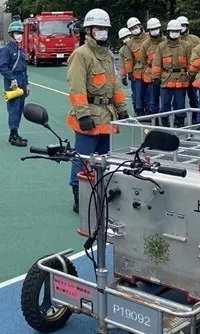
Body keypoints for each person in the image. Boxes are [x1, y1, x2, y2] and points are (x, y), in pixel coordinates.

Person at [66, 8, 128, 213]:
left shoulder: (108, 55)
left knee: (104, 159)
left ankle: (100, 192)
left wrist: (122, 109)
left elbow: (115, 84)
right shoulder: (81, 55)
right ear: (89, 30)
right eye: (98, 28)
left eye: (105, 28)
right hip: (90, 116)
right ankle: (79, 197)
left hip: (106, 116)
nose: (102, 31)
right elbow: (77, 88)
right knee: (83, 159)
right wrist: (83, 115)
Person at [152, 20, 193, 127]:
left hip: (181, 78)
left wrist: (192, 75)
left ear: (180, 32)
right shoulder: (161, 46)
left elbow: (190, 62)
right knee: (165, 102)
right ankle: (164, 120)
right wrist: (156, 76)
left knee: (180, 103)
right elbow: (157, 63)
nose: (175, 33)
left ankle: (180, 120)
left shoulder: (187, 46)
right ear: (168, 32)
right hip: (166, 78)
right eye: (172, 31)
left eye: (177, 31)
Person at [0, 21, 30, 147]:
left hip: (22, 79)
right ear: (11, 34)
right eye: (17, 33)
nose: (19, 35)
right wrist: (11, 79)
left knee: (20, 108)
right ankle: (13, 135)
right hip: (12, 82)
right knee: (14, 108)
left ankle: (16, 132)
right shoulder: (6, 50)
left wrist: (27, 83)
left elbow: (24, 68)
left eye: (21, 33)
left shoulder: (21, 50)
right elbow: (3, 67)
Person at [138, 18, 165, 118]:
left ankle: (166, 117)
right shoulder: (145, 44)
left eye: (156, 28)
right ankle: (154, 117)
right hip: (151, 75)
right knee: (153, 98)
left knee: (166, 99)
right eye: (152, 29)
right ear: (149, 30)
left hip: (166, 74)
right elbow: (143, 60)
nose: (154, 31)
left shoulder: (166, 41)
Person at [178, 15, 200, 124]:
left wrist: (195, 72)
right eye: (180, 25)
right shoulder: (174, 40)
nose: (182, 27)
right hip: (180, 75)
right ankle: (179, 119)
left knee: (194, 98)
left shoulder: (195, 39)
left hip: (193, 74)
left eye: (184, 25)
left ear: (187, 26)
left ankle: (195, 118)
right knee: (179, 100)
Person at [126, 17, 149, 116]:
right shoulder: (130, 43)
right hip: (137, 71)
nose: (134, 30)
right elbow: (128, 59)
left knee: (149, 93)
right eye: (131, 29)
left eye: (135, 27)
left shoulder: (149, 38)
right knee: (138, 93)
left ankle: (149, 110)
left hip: (149, 70)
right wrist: (129, 72)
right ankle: (139, 111)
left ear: (140, 26)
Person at [118, 28, 133, 108]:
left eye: (126, 37)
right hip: (133, 76)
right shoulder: (122, 51)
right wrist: (123, 77)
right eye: (123, 38)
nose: (125, 39)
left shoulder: (138, 45)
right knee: (136, 94)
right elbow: (122, 65)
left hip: (145, 74)